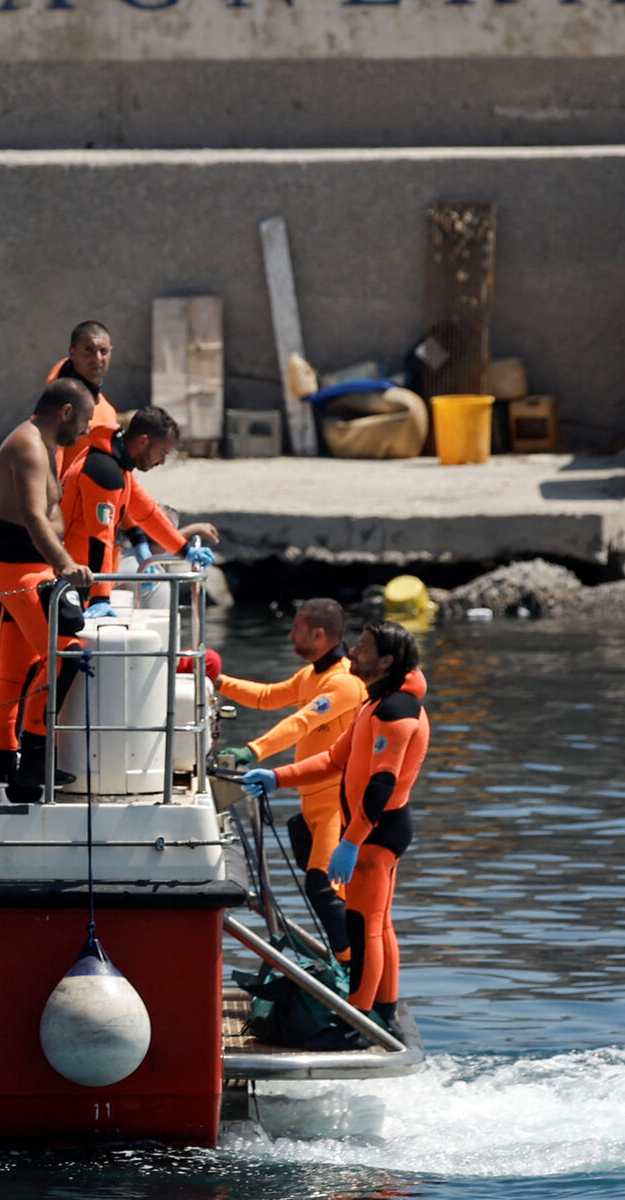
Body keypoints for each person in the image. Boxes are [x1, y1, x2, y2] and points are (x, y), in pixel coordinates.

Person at [244, 620, 430, 1034]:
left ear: (386, 660)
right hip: (368, 830)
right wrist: (277, 777)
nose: (352, 653)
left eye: (363, 648)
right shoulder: (372, 702)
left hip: (377, 831)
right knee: (377, 923)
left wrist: (350, 842)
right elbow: (332, 760)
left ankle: (358, 1018)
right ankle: (383, 1012)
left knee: (366, 926)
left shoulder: (396, 712)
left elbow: (381, 785)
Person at [214, 598, 363, 955]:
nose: (290, 634)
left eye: (296, 629)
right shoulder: (312, 674)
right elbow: (267, 697)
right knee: (323, 891)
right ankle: (346, 966)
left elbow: (300, 724)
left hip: (335, 805)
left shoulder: (342, 682)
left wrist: (253, 751)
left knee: (324, 889)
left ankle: (351, 973)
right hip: (310, 802)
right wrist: (216, 680)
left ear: (319, 633)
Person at [0, 377, 95, 803]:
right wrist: (65, 563)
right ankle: (33, 763)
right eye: (83, 420)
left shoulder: (46, 444)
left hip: (32, 569)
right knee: (63, 654)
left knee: (16, 670)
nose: (84, 429)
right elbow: (33, 515)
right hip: (18, 571)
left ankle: (3, 770)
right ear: (65, 411)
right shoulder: (28, 444)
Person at [59, 406, 219, 604]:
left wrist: (185, 550)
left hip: (84, 576)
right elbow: (100, 538)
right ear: (143, 442)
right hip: (71, 577)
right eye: (162, 453)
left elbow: (148, 513)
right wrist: (99, 598)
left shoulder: (120, 465)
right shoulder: (104, 471)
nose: (161, 462)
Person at [45, 320, 121, 441]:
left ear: (111, 352)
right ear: (72, 352)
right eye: (88, 350)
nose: (97, 358)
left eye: (103, 351)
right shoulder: (58, 406)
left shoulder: (108, 412)